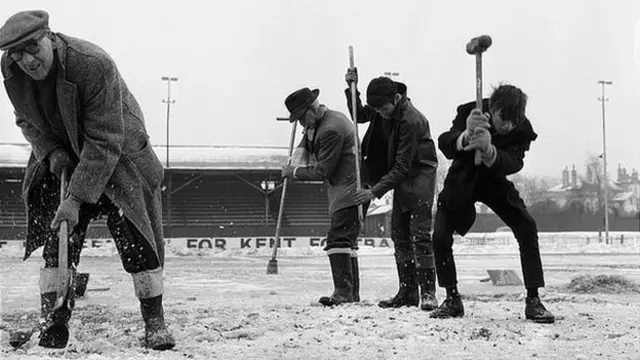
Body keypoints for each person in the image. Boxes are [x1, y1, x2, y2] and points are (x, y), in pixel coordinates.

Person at [0, 10, 175, 349]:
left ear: (49, 37)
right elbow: (25, 120)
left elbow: (105, 140)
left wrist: (76, 200)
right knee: (58, 241)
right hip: (64, 153)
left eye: (32, 47)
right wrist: (50, 151)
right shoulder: (12, 71)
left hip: (117, 152)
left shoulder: (92, 64)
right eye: (17, 53)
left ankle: (155, 320)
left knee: (137, 240)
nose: (27, 59)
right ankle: (52, 320)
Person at [430, 84, 555, 323]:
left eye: (513, 120)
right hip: (462, 178)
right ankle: (452, 298)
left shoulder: (522, 129)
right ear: (493, 107)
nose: (507, 125)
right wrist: (465, 136)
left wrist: (489, 150)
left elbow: (514, 162)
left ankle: (533, 300)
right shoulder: (471, 112)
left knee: (526, 226)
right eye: (502, 118)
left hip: (493, 180)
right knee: (440, 236)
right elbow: (445, 143)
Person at [352, 76, 439, 311]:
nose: (380, 114)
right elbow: (360, 115)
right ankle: (408, 292)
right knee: (399, 236)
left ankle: (428, 292)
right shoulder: (388, 110)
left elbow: (402, 166)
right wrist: (352, 88)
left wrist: (373, 192)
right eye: (377, 110)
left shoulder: (411, 120)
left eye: (382, 109)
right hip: (401, 180)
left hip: (419, 179)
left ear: (396, 98)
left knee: (419, 236)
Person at [282, 87, 361, 306]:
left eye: (301, 118)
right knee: (347, 242)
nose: (301, 123)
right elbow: (307, 146)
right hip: (342, 188)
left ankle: (344, 293)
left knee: (338, 238)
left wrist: (294, 172)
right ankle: (351, 294)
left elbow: (322, 170)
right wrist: (298, 152)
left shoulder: (331, 129)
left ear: (312, 109)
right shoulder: (319, 124)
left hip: (350, 188)